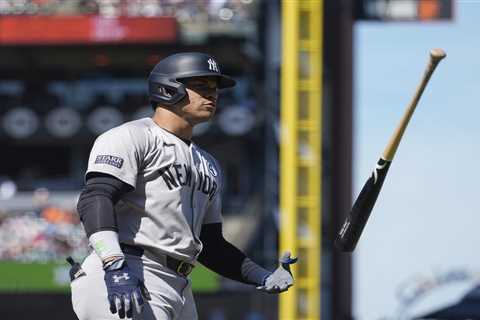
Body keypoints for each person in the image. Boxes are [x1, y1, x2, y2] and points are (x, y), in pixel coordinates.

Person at [69, 52, 297, 320]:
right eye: (201, 87)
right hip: (130, 268)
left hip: (179, 283)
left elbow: (211, 244)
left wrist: (263, 275)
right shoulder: (132, 136)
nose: (212, 95)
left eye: (214, 89)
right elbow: (95, 198)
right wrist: (113, 264)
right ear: (168, 89)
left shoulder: (208, 164)